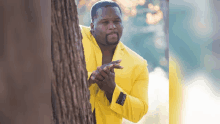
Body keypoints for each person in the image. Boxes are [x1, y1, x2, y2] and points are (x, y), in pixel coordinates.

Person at [79, 1, 149, 124]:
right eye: (105, 22)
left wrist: (113, 91)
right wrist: (91, 77)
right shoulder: (76, 36)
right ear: (92, 26)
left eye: (117, 21)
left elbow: (139, 111)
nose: (112, 26)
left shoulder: (138, 64)